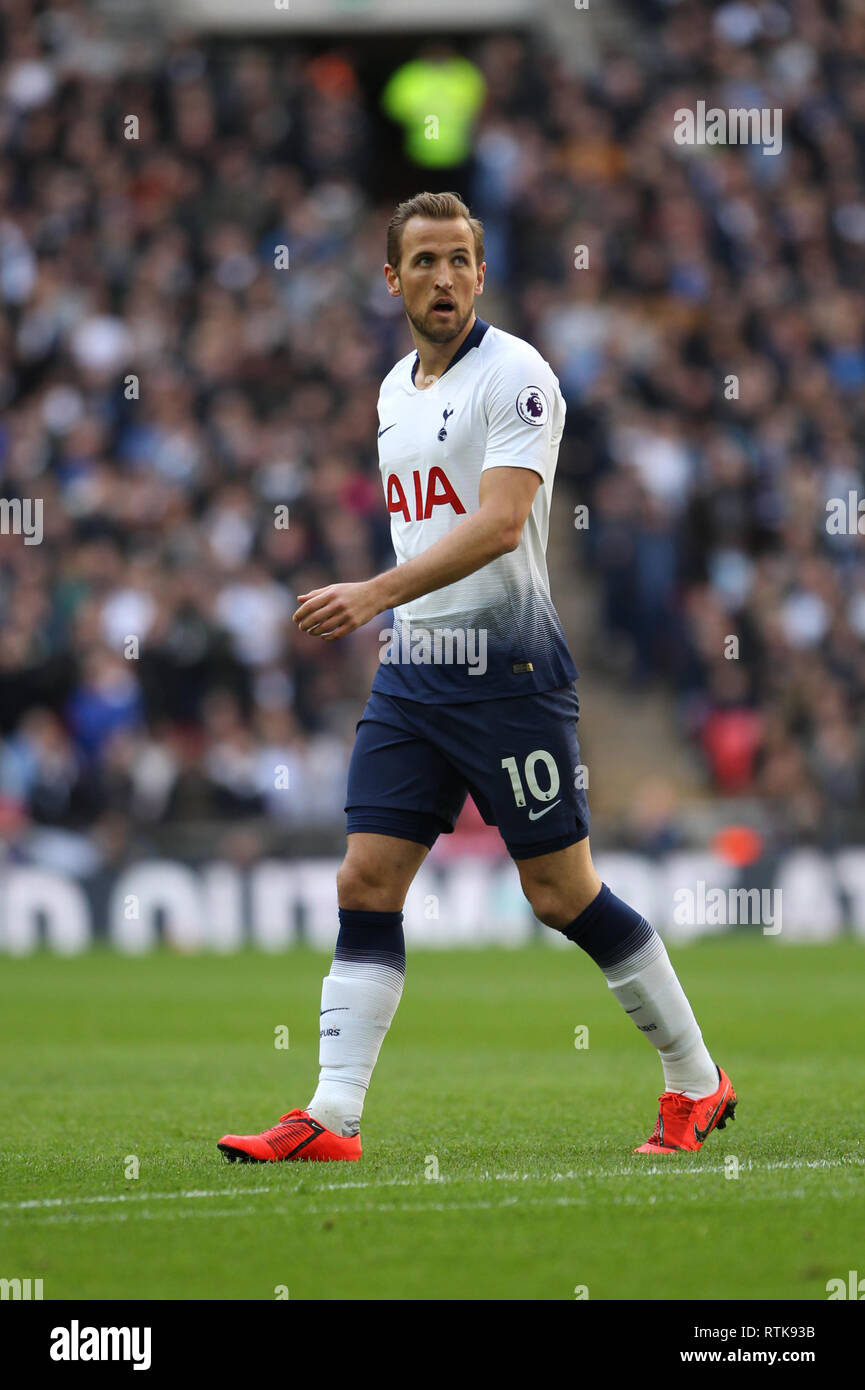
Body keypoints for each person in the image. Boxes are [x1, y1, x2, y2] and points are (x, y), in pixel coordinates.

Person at [217, 191, 736, 1163]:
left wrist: (371, 592)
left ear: (480, 272)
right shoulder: (389, 391)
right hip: (414, 670)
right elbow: (429, 524)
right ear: (392, 279)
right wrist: (394, 610)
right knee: (365, 877)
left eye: (459, 259)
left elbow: (499, 524)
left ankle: (697, 1081)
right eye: (423, 262)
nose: (443, 277)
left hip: (509, 670)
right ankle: (332, 1115)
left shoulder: (519, 376)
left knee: (557, 892)